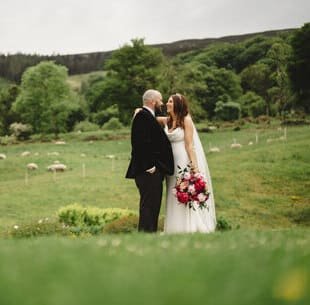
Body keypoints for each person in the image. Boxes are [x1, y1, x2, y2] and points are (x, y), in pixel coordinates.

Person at [156, 94, 216, 233]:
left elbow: (190, 145)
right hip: (171, 165)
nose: (167, 103)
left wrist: (195, 169)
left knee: (185, 192)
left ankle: (188, 227)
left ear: (177, 104)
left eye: (170, 101)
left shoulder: (186, 120)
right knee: (173, 192)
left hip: (183, 162)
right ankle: (173, 227)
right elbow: (153, 118)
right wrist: (140, 111)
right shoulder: (169, 120)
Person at [125, 89, 174, 232]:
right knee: (149, 206)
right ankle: (146, 235)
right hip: (148, 171)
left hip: (151, 171)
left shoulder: (148, 116)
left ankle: (149, 234)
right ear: (153, 101)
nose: (162, 103)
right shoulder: (142, 116)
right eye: (160, 100)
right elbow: (140, 143)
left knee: (153, 206)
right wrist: (150, 165)